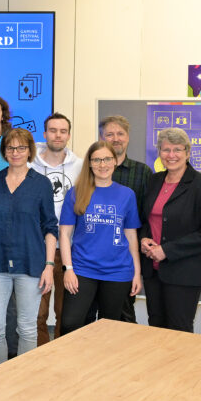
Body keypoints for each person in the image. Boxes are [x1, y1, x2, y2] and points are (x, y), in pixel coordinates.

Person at [0, 128, 57, 364]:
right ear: (4, 151)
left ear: (30, 151)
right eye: (10, 147)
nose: (15, 152)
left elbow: (50, 227)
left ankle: (23, 377)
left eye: (21, 147)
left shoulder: (41, 184)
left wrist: (49, 265)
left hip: (31, 263)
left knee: (27, 327)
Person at [139, 128, 201, 332]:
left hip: (185, 271)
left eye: (177, 149)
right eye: (166, 149)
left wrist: (167, 250)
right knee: (155, 326)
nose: (171, 155)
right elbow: (146, 219)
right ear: (159, 152)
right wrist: (143, 238)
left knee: (179, 330)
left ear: (188, 152)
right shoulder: (154, 180)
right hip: (152, 271)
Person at [58, 141, 142, 334]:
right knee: (70, 324)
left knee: (108, 329)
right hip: (83, 269)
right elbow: (64, 234)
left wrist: (136, 273)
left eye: (107, 159)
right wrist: (68, 269)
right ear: (89, 163)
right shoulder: (76, 193)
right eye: (96, 160)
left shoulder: (127, 195)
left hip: (118, 271)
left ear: (115, 161)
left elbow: (131, 236)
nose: (102, 164)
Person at [29, 113, 83, 343]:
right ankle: (39, 355)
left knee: (65, 312)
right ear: (44, 134)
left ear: (69, 135)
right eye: (53, 130)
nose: (57, 135)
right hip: (37, 248)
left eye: (63, 131)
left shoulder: (80, 166)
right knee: (37, 313)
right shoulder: (29, 164)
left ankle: (61, 357)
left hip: (69, 250)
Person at [100, 115, 153, 324]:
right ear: (102, 138)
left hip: (125, 258)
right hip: (92, 255)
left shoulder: (143, 172)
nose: (116, 139)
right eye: (110, 134)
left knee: (122, 316)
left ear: (128, 137)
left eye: (120, 134)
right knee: (88, 315)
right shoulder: (91, 170)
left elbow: (148, 215)